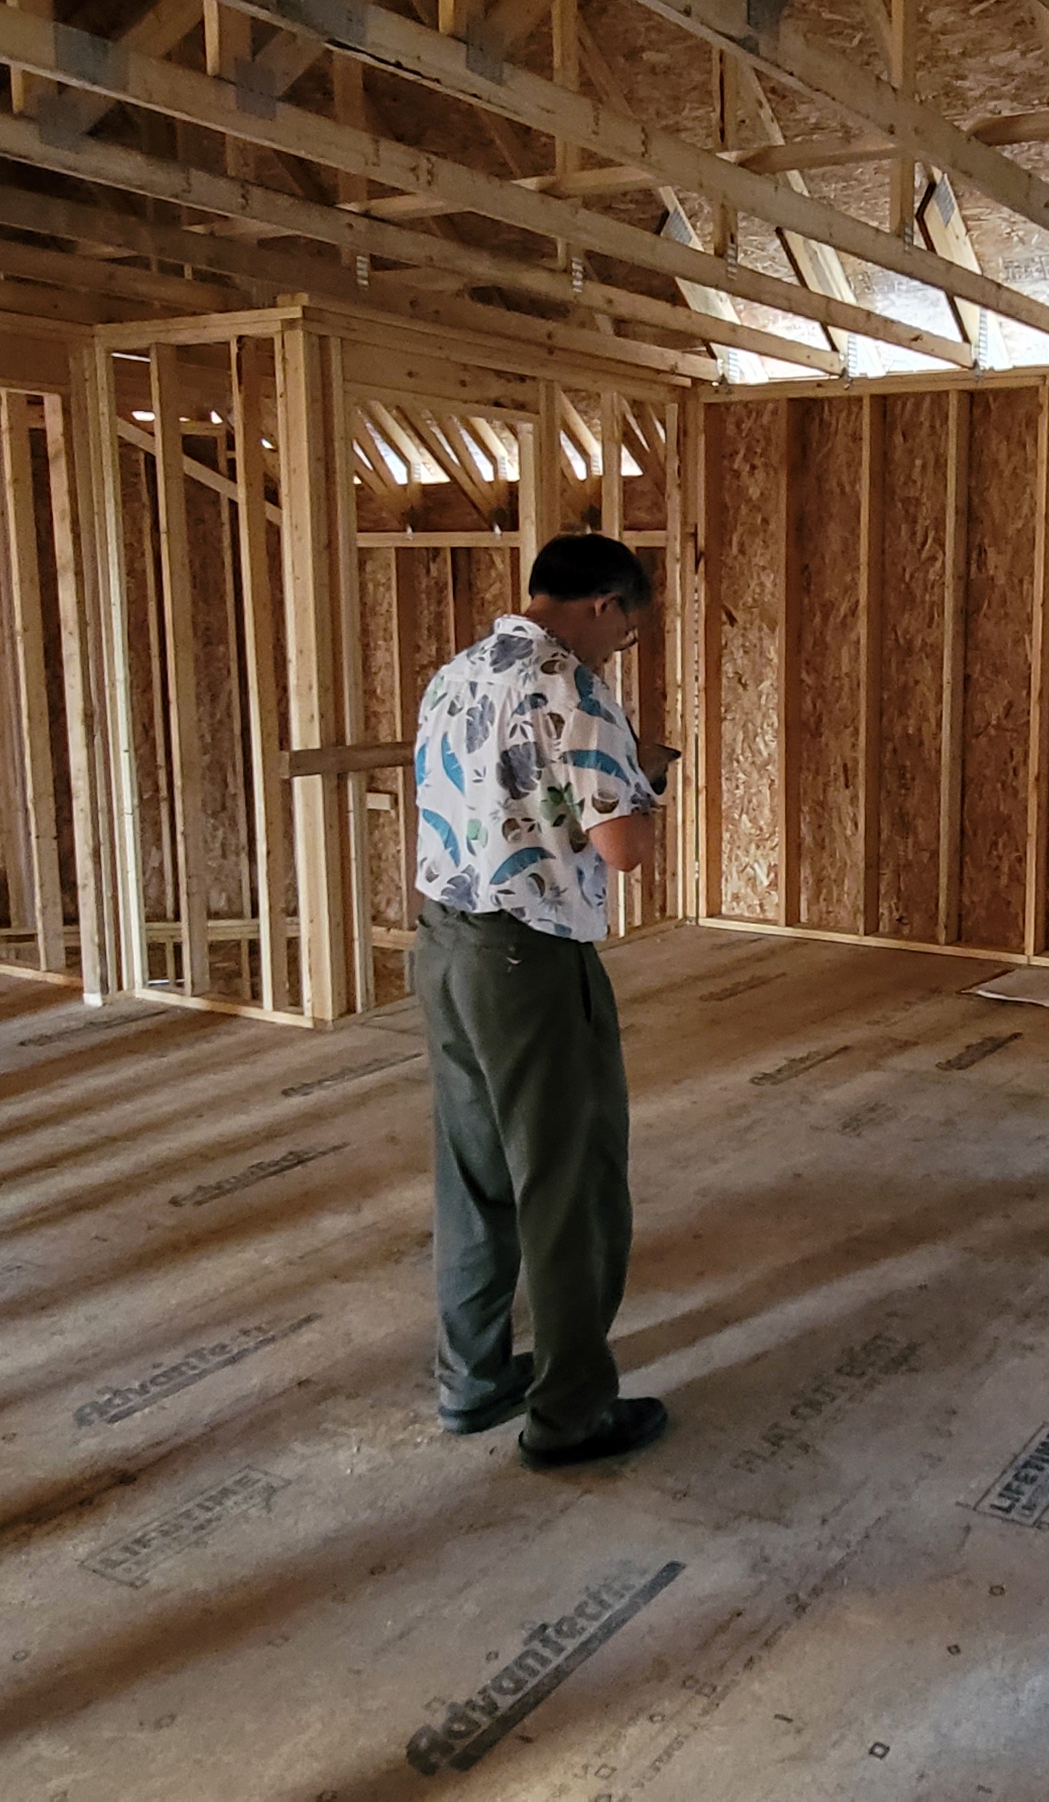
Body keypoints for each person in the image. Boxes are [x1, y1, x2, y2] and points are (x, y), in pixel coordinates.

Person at [409, 532, 675, 1468]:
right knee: (570, 1188)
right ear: (605, 604)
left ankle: (474, 1381)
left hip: (444, 945)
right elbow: (623, 850)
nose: (620, 648)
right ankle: (570, 1416)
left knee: (475, 1175)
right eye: (626, 630)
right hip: (530, 958)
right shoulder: (572, 686)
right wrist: (646, 780)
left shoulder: (457, 673)